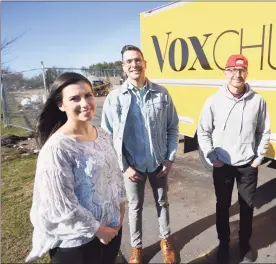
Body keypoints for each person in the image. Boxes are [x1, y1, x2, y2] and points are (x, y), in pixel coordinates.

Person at [26, 72, 126, 264]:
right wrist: (99, 230)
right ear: (61, 105)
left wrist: (120, 211)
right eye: (75, 98)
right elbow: (62, 205)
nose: (85, 103)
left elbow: (114, 176)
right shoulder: (57, 148)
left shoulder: (102, 134)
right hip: (78, 244)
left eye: (88, 95)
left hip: (112, 231)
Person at [101, 45, 179, 264]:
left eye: (137, 60)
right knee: (134, 208)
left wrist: (169, 157)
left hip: (158, 164)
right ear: (123, 67)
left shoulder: (161, 93)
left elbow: (172, 127)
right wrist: (124, 166)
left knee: (162, 203)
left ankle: (166, 241)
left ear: (145, 63)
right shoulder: (115, 98)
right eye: (129, 61)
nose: (134, 64)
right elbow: (107, 136)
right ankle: (137, 248)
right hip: (132, 167)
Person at [197, 54, 271, 263]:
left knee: (247, 207)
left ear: (246, 73)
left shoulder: (258, 101)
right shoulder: (213, 101)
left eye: (241, 70)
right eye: (232, 70)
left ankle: (244, 243)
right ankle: (224, 244)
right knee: (223, 206)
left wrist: (258, 158)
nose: (237, 75)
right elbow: (203, 131)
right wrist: (212, 156)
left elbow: (264, 131)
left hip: (248, 165)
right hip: (223, 165)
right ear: (225, 73)